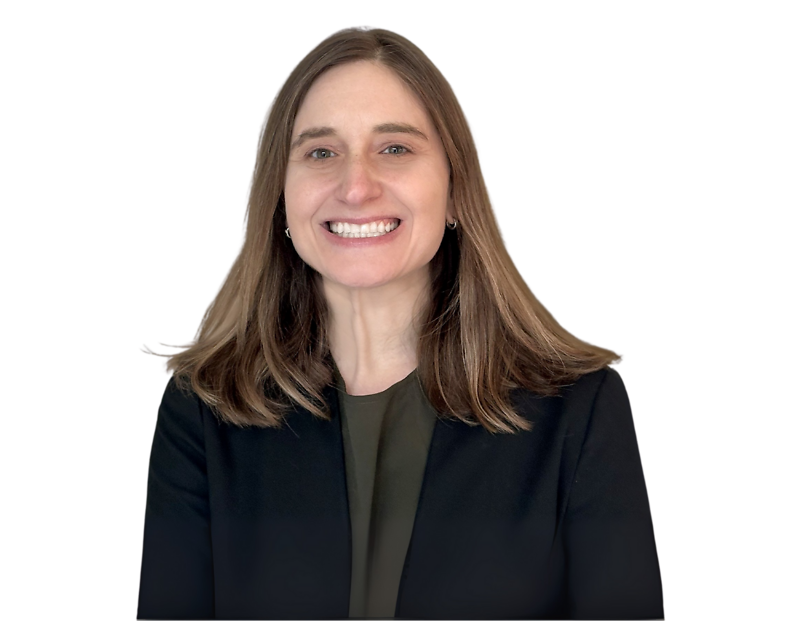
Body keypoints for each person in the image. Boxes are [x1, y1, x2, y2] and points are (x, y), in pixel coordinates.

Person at [136, 25, 665, 619]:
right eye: (320, 152)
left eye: (395, 148)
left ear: (456, 185)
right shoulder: (202, 411)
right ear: (279, 196)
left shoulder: (580, 409)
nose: (356, 186)